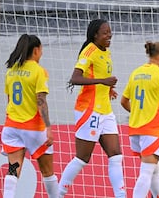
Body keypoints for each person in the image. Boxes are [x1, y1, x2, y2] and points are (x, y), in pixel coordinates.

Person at [58, 19, 126, 198]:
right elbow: (75, 78)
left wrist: (109, 88)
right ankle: (58, 193)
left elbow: (100, 75)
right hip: (89, 110)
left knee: (116, 155)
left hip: (106, 111)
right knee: (82, 158)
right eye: (105, 33)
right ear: (95, 35)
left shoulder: (107, 52)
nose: (109, 35)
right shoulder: (89, 51)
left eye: (110, 32)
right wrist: (103, 81)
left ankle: (121, 196)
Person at [1, 34, 59, 198]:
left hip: (12, 127)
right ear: (36, 50)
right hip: (34, 129)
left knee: (13, 169)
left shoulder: (11, 71)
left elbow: (9, 100)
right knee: (48, 171)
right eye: (41, 50)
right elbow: (41, 101)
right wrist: (48, 127)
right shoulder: (39, 71)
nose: (42, 53)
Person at [121, 41, 159, 198]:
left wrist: (138, 113)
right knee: (147, 171)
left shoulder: (136, 73)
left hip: (135, 128)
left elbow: (123, 101)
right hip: (152, 129)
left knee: (154, 170)